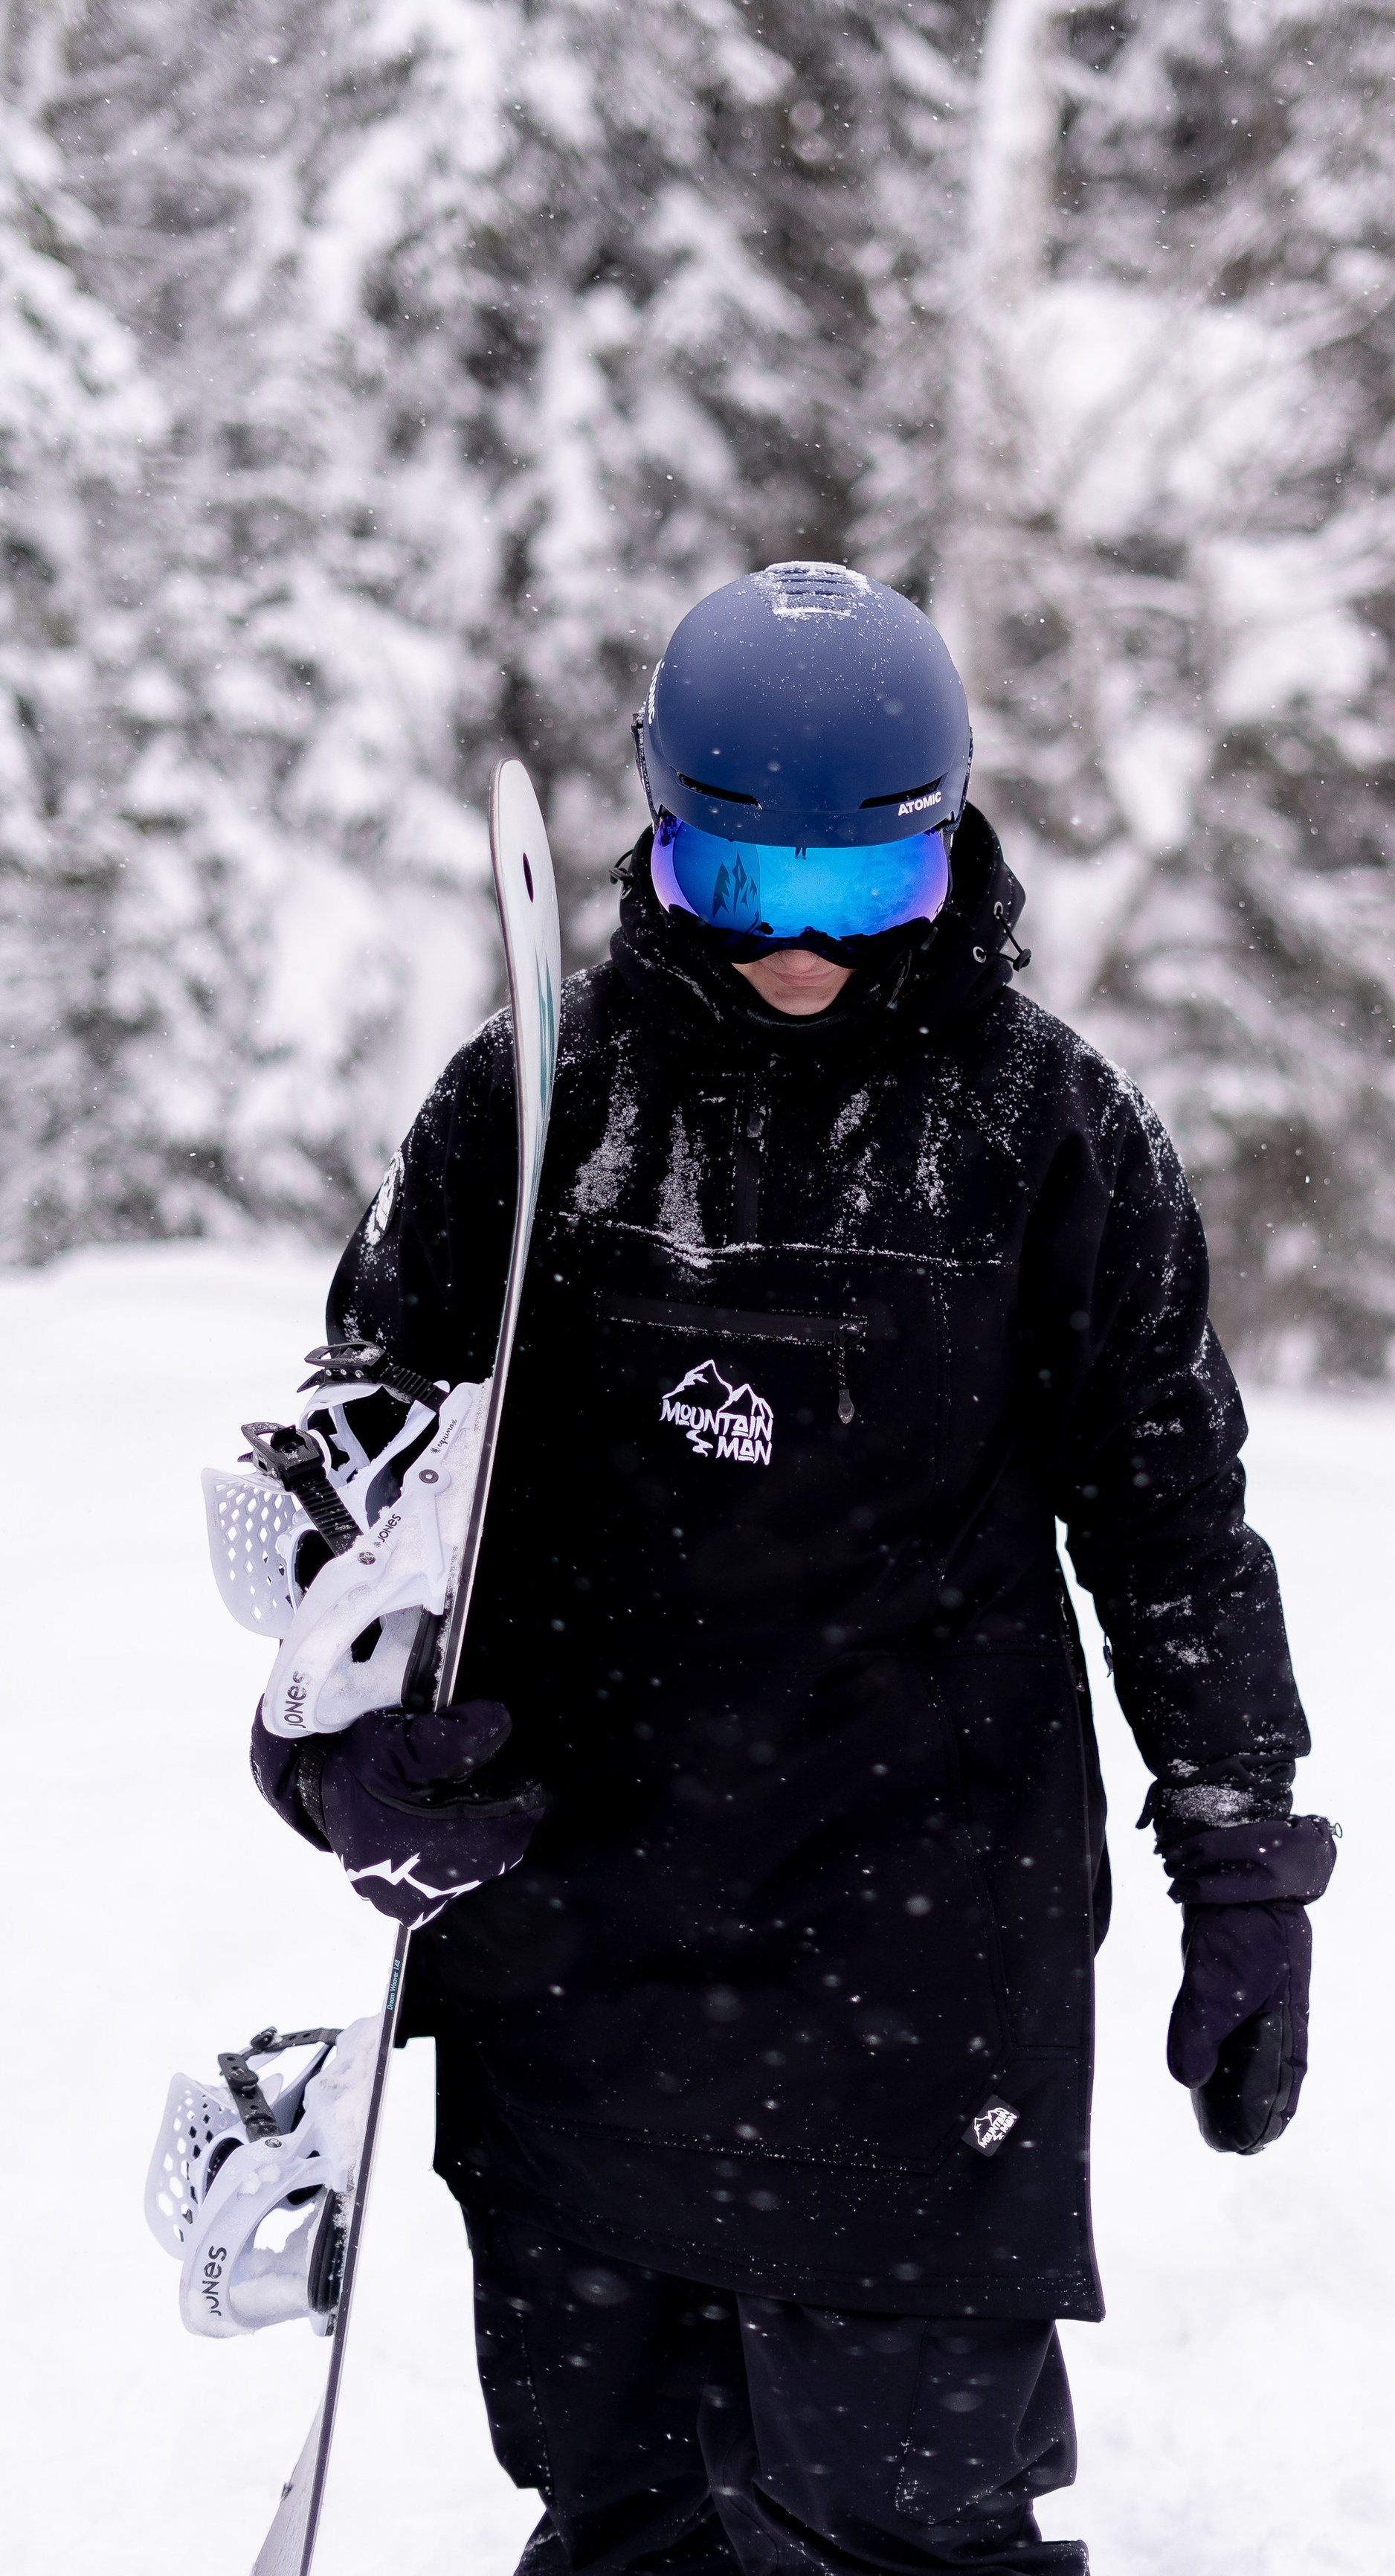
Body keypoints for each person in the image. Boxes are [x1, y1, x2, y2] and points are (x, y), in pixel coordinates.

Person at [249, 561, 1334, 2575]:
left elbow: (1177, 1525)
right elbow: (356, 1468)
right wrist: (335, 1754)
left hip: (924, 1965)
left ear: (948, 855)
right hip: (581, 1951)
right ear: (665, 840)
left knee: (906, 2520)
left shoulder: (1053, 1133)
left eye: (864, 902)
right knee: (624, 2500)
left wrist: (1245, 1859)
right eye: (756, 893)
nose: (806, 955)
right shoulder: (534, 1109)